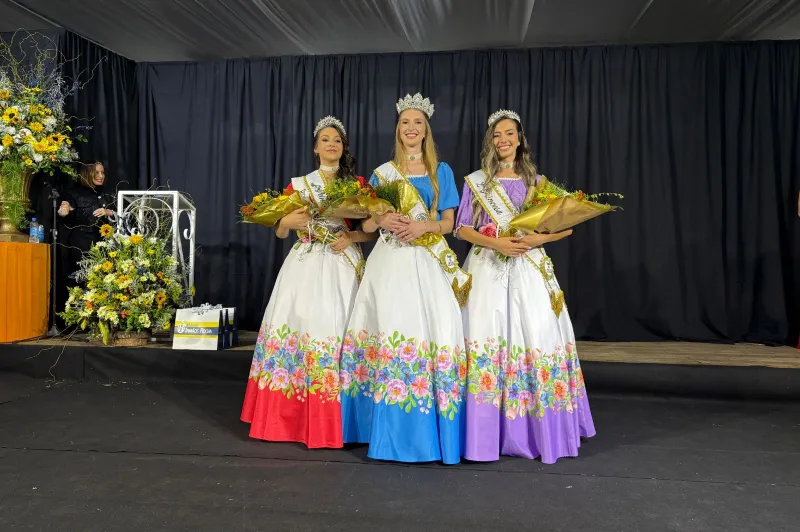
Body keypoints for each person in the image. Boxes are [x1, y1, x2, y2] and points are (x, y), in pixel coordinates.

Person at [455, 110, 596, 463]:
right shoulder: (477, 183)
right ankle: (485, 431)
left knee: (535, 335)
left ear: (520, 139)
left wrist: (533, 240)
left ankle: (536, 431)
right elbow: (462, 229)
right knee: (486, 336)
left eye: (509, 133)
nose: (503, 139)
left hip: (529, 269)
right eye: (497, 135)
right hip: (488, 267)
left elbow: (566, 226)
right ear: (491, 142)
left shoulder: (537, 183)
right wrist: (498, 244)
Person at [339, 93, 471, 464]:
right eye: (404, 123)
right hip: (390, 262)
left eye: (417, 123)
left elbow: (450, 223)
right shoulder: (382, 173)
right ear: (397, 130)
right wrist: (381, 220)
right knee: (387, 329)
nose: (411, 129)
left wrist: (421, 226)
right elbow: (365, 222)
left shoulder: (440, 171)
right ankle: (375, 429)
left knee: (430, 332)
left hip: (427, 260)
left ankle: (429, 433)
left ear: (426, 131)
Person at [241, 116, 374, 449]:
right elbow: (281, 231)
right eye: (325, 140)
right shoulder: (299, 185)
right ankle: (291, 419)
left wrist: (352, 235)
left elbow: (374, 225)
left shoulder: (357, 184)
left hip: (343, 263)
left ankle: (345, 420)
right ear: (316, 147)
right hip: (305, 263)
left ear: (344, 149)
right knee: (304, 327)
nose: (331, 145)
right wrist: (285, 221)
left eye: (337, 141)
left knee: (340, 328)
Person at [60, 162, 116, 286]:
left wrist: (109, 212)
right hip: (82, 245)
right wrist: (65, 210)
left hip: (106, 245)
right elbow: (66, 212)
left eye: (102, 172)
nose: (101, 176)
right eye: (97, 172)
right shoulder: (74, 193)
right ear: (86, 173)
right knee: (85, 280)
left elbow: (124, 214)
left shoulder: (109, 194)